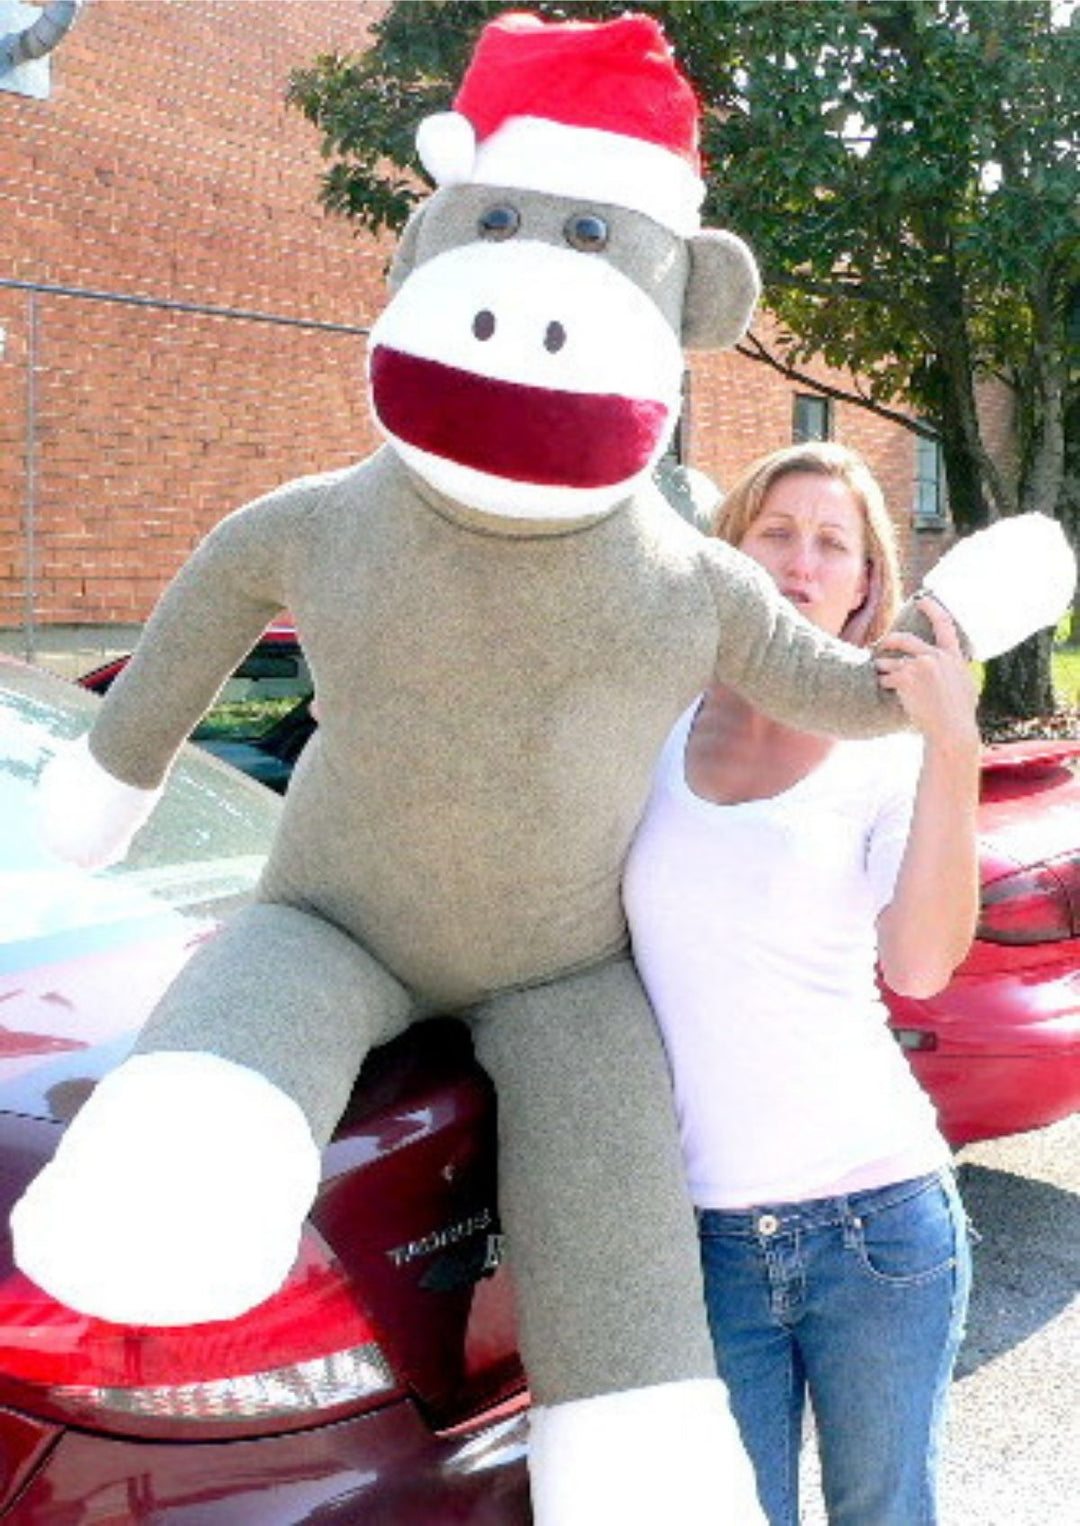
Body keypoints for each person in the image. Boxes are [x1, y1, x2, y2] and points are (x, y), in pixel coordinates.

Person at [624, 442, 977, 1526]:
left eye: (835, 543)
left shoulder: (888, 752)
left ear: (868, 581)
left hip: (876, 1223)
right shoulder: (653, 722)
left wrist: (954, 743)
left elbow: (919, 962)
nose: (802, 560)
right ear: (730, 547)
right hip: (700, 1231)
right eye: (776, 531)